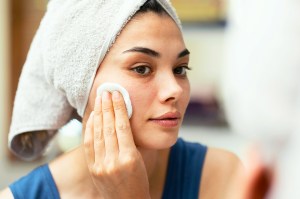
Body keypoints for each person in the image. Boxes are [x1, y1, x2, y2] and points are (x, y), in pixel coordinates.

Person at [0, 0, 242, 198]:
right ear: (79, 83)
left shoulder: (223, 176)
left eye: (179, 69)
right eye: (142, 69)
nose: (175, 90)